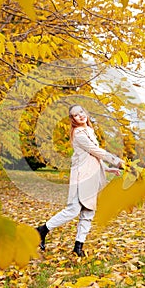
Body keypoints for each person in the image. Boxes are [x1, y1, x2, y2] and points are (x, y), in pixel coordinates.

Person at [36, 104, 123, 257]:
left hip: (93, 176)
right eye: (76, 115)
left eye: (81, 112)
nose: (80, 116)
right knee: (73, 210)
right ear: (73, 120)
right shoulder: (79, 134)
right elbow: (96, 151)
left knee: (88, 212)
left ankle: (78, 247)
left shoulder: (90, 130)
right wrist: (117, 161)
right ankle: (41, 230)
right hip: (81, 177)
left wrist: (107, 168)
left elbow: (92, 155)